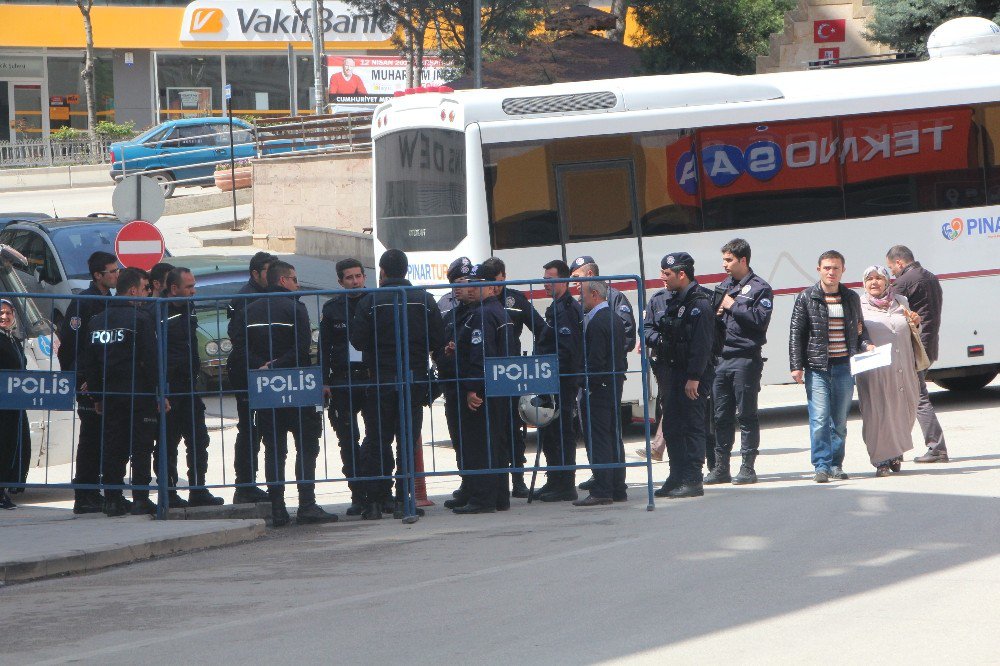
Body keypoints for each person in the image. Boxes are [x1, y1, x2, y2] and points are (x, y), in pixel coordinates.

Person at [241, 260, 338, 527]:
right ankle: (306, 504)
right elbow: (302, 347)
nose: (297, 284)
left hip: (266, 389)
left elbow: (242, 348)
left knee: (274, 449)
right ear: (283, 281)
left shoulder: (250, 310)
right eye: (294, 279)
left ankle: (278, 509)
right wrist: (278, 366)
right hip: (297, 386)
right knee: (306, 446)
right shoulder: (295, 307)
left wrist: (264, 367)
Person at [350, 249, 445, 520]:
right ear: (406, 270)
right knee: (406, 440)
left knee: (377, 440)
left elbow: (357, 341)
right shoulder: (423, 299)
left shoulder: (370, 300)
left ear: (382, 271)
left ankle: (375, 503)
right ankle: (405, 501)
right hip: (413, 379)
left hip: (379, 379)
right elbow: (438, 338)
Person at [80, 268, 161, 517]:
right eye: (146, 288)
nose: (148, 294)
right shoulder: (141, 320)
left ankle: (113, 499)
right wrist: (159, 393)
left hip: (110, 395)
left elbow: (91, 364)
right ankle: (140, 499)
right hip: (139, 394)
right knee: (141, 446)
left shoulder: (97, 321)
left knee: (113, 446)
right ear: (133, 290)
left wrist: (96, 396)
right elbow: (150, 359)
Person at [789, 250, 873, 483]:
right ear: (819, 270)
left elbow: (859, 329)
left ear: (843, 270)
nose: (831, 272)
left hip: (845, 367)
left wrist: (867, 345)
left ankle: (836, 464)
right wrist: (796, 366)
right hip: (817, 368)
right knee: (819, 418)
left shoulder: (851, 297)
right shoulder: (806, 297)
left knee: (840, 420)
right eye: (827, 268)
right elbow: (796, 333)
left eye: (835, 268)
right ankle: (822, 466)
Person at [451, 262, 520, 514]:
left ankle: (483, 499)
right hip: (498, 388)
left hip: (484, 390)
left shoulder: (483, 314)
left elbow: (482, 354)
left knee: (482, 444)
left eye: (477, 283)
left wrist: (473, 389)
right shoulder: (498, 311)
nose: (472, 288)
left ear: (490, 287)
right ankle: (500, 497)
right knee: (497, 443)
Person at [706, 239, 773, 486]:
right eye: (724, 259)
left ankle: (747, 467)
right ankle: (721, 467)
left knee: (746, 415)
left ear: (743, 260)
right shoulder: (723, 286)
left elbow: (759, 321)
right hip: (721, 359)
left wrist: (733, 306)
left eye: (729, 260)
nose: (724, 265)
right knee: (721, 416)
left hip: (745, 359)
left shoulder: (760, 288)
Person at [56, 250, 119, 515]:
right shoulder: (84, 303)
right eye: (112, 271)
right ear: (97, 275)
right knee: (91, 439)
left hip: (106, 380)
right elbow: (69, 347)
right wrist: (80, 379)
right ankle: (85, 495)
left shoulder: (112, 300)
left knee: (105, 439)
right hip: (87, 383)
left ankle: (98, 491)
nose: (117, 275)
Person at [571, 256, 637, 493]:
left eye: (577, 281)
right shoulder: (600, 313)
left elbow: (617, 344)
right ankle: (609, 480)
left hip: (603, 382)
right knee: (602, 433)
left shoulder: (609, 307)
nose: (578, 293)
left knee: (604, 433)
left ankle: (606, 485)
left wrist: (587, 381)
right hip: (604, 380)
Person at [652, 252, 715, 499]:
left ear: (681, 274)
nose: (662, 278)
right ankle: (676, 476)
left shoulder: (700, 304)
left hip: (691, 378)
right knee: (672, 426)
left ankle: (692, 479)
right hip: (672, 375)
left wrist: (694, 377)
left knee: (692, 427)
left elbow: (702, 345)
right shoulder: (676, 300)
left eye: (667, 274)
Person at [162, 267, 224, 508]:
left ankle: (198, 489)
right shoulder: (160, 311)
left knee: (199, 439)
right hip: (170, 386)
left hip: (189, 385)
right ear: (173, 288)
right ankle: (169, 492)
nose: (194, 291)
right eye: (188, 287)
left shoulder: (188, 308)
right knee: (169, 444)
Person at [481, 256, 541, 498]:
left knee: (514, 429)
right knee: (491, 431)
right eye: (490, 283)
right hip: (486, 374)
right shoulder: (480, 300)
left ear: (504, 277)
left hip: (510, 373)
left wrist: (536, 361)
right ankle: (494, 482)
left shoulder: (515, 299)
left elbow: (541, 328)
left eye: (496, 282)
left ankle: (518, 479)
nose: (494, 288)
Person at [856, 265, 921, 476]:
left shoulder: (900, 301)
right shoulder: (858, 304)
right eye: (870, 279)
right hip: (874, 369)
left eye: (879, 278)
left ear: (887, 281)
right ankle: (880, 459)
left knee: (905, 409)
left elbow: (910, 329)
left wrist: (916, 323)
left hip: (903, 366)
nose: (874, 282)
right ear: (864, 283)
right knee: (877, 413)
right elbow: (852, 333)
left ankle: (895, 452)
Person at [886, 245, 947, 463]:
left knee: (917, 397)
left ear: (900, 262)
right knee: (909, 397)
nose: (892, 271)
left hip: (914, 347)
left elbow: (890, 312)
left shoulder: (903, 282)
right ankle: (898, 449)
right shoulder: (930, 277)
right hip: (929, 345)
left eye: (891, 267)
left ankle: (937, 447)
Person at [530, 259, 584, 502]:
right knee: (549, 433)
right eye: (544, 280)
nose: (546, 284)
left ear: (563, 280)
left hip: (560, 381)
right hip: (548, 380)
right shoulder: (555, 308)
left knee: (562, 432)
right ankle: (553, 480)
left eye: (550, 279)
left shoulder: (567, 309)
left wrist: (551, 373)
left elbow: (566, 350)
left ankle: (565, 484)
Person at [319, 258, 369, 516]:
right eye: (349, 277)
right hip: (342, 380)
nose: (355, 281)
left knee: (376, 438)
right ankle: (358, 494)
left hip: (370, 377)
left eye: (358, 276)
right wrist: (324, 381)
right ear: (340, 281)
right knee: (348, 440)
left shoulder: (374, 302)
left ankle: (379, 492)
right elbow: (324, 348)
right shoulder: (332, 309)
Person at [227, 251, 276, 505]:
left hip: (268, 371)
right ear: (255, 273)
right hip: (249, 371)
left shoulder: (271, 294)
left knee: (265, 429)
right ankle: (245, 484)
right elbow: (238, 340)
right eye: (269, 271)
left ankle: (256, 483)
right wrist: (260, 364)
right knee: (249, 429)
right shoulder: (246, 298)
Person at [435, 257, 476, 508]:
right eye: (457, 282)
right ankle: (466, 482)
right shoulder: (445, 307)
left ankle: (478, 484)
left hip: (471, 382)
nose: (461, 286)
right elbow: (437, 340)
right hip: (451, 381)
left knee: (474, 437)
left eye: (466, 281)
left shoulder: (477, 309)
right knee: (458, 437)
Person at [0, 298, 30, 510]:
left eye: (9, 313)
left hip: (15, 404)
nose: (5, 317)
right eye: (1, 313)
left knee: (13, 445)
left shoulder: (12, 339)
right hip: (3, 404)